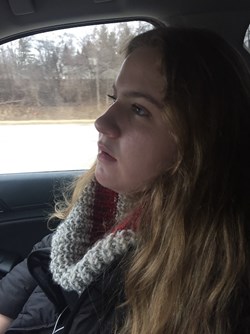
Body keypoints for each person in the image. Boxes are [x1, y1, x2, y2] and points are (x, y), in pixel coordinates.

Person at [0, 26, 250, 334]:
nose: (101, 121)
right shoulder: (99, 207)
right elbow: (35, 269)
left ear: (200, 142)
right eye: (113, 96)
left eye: (139, 109)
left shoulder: (212, 285)